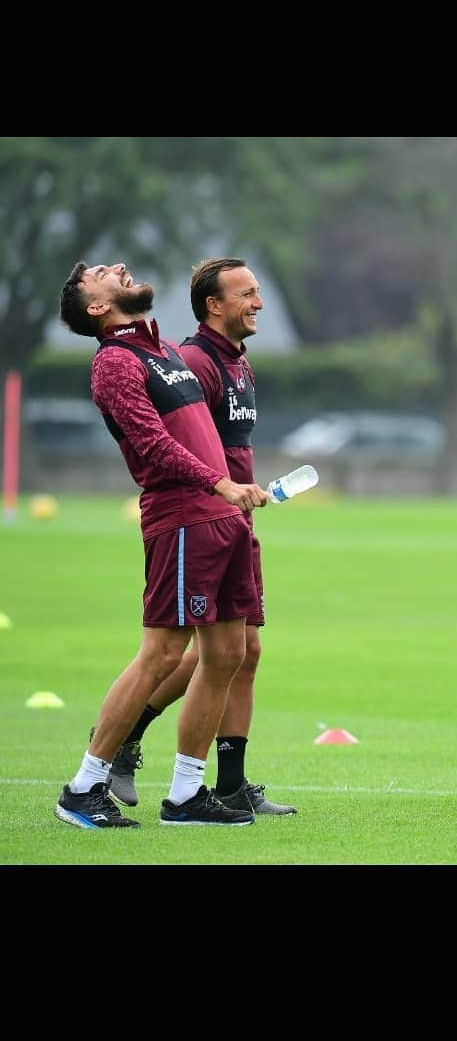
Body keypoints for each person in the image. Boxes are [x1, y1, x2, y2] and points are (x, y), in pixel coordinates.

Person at [55, 262, 268, 829]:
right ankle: (84, 786)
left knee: (227, 654)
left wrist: (237, 489)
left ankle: (185, 796)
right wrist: (220, 481)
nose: (118, 269)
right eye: (103, 274)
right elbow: (152, 444)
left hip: (224, 519)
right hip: (182, 519)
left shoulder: (164, 350)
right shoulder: (114, 363)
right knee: (162, 653)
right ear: (97, 307)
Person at [103, 258, 296, 816]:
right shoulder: (194, 361)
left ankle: (230, 785)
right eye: (247, 294)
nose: (258, 303)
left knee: (243, 651)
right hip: (200, 520)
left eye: (259, 292)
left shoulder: (240, 364)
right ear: (214, 304)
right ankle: (122, 736)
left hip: (237, 519)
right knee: (191, 650)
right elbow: (183, 446)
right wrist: (223, 491)